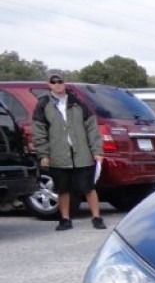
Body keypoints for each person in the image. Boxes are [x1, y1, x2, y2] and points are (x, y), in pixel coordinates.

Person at [31, 70, 106, 231]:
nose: (58, 85)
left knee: (89, 187)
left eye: (60, 81)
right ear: (48, 84)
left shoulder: (78, 102)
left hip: (82, 153)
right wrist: (43, 154)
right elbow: (39, 130)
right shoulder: (44, 104)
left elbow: (92, 128)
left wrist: (96, 150)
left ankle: (97, 217)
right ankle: (65, 219)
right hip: (59, 154)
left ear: (65, 83)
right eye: (54, 82)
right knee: (62, 188)